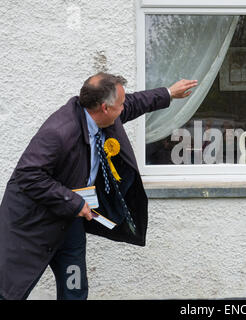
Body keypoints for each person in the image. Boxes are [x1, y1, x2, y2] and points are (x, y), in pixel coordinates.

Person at [0, 73, 197, 300]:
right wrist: (74, 202)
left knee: (74, 288)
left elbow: (134, 103)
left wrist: (169, 93)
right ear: (104, 107)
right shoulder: (59, 131)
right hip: (33, 226)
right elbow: (28, 175)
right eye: (120, 105)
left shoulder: (102, 115)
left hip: (69, 224)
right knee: (11, 292)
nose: (125, 108)